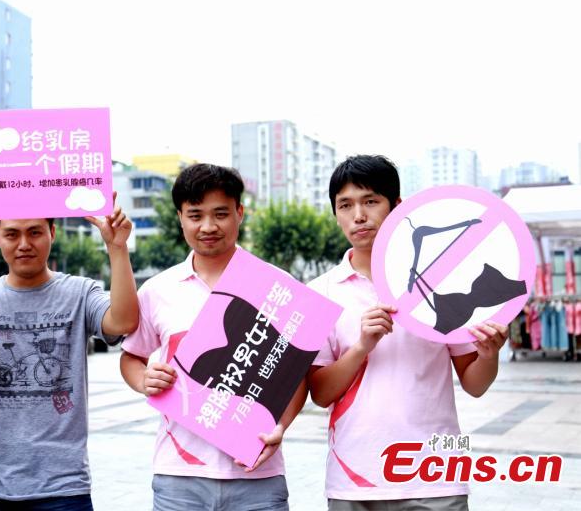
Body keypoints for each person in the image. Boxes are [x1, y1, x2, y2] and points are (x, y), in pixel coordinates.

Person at [306, 155, 508, 511]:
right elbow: (320, 394)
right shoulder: (320, 292)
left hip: (435, 478)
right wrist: (361, 347)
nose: (358, 215)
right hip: (355, 479)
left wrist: (489, 355)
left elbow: (475, 384)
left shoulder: (441, 282)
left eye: (370, 201)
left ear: (397, 206)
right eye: (345, 205)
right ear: (335, 213)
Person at [0, 192, 139, 510]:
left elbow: (123, 321)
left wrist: (117, 248)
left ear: (52, 233)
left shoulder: (80, 292)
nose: (24, 244)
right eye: (12, 234)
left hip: (63, 487)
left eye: (35, 232)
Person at [119, 163, 305, 511]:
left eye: (221, 214)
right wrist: (144, 379)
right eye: (195, 215)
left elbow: (297, 373)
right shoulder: (158, 289)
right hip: (179, 476)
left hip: (257, 474)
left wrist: (281, 426)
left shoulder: (278, 286)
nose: (208, 226)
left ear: (240, 213)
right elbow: (132, 356)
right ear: (180, 218)